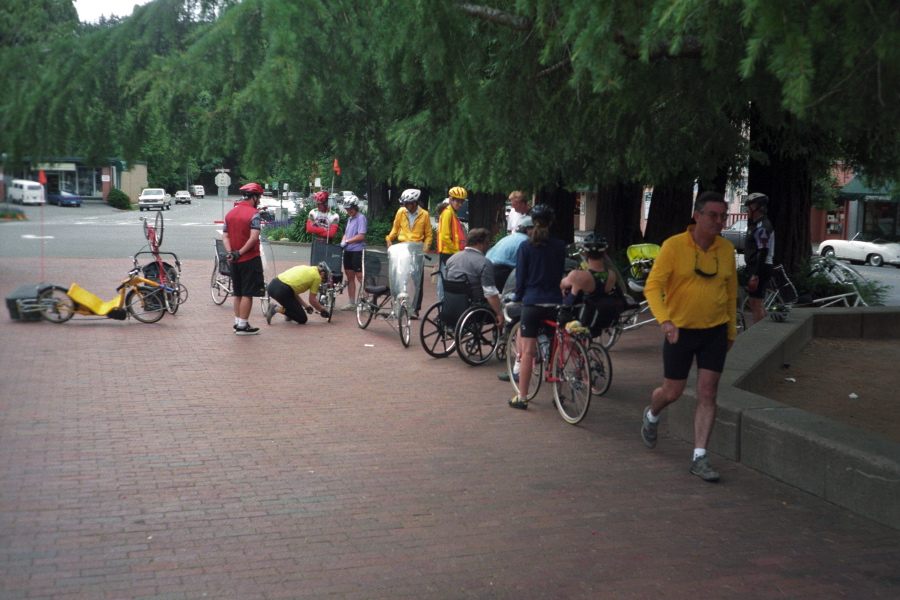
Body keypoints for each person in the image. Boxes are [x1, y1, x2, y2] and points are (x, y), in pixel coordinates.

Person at [641, 191, 738, 483]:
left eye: (723, 216)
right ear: (697, 216)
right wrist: (666, 322)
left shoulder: (726, 250)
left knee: (708, 392)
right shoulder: (673, 247)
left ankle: (699, 456)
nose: (719, 221)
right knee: (672, 392)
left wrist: (731, 331)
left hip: (715, 331)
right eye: (713, 215)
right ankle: (652, 415)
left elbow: (732, 294)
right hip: (679, 332)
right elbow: (652, 287)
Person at [506, 204, 566, 409]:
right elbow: (559, 274)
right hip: (554, 302)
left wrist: (517, 297)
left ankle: (522, 397)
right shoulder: (559, 246)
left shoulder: (525, 247)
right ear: (551, 223)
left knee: (528, 353)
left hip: (532, 302)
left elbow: (521, 278)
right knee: (559, 348)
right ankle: (560, 394)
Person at [222, 182, 266, 335]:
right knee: (248, 292)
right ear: (254, 197)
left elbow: (225, 236)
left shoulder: (230, 213)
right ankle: (243, 325)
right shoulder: (254, 213)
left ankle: (237, 322)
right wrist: (240, 253)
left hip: (234, 260)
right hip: (249, 257)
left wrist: (231, 253)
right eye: (259, 197)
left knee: (238, 292)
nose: (259, 200)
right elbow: (254, 238)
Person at [558, 233, 624, 332]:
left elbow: (559, 286)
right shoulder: (611, 275)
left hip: (576, 316)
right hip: (597, 317)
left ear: (585, 253)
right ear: (604, 253)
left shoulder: (577, 275)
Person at [385, 188, 433, 317]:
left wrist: (425, 248)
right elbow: (395, 228)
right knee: (401, 277)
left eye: (407, 204)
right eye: (404, 204)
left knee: (417, 280)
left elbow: (428, 235)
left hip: (417, 249)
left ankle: (415, 309)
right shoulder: (401, 212)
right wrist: (389, 239)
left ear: (415, 203)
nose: (405, 206)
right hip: (403, 247)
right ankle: (398, 305)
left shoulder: (424, 214)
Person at [445, 228, 504, 326]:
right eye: (487, 243)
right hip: (475, 306)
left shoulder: (452, 259)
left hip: (452, 304)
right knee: (504, 303)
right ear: (479, 243)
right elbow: (490, 293)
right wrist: (499, 313)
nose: (489, 246)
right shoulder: (484, 262)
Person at [264, 262, 331, 325]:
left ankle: (289, 313)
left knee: (290, 298)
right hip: (283, 291)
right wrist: (322, 310)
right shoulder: (317, 277)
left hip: (273, 286)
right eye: (324, 279)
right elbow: (312, 300)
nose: (322, 281)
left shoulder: (306, 268)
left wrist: (306, 306)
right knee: (302, 319)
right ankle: (276, 308)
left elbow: (293, 291)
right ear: (322, 274)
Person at [743, 193, 774, 324]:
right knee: (757, 303)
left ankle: (758, 336)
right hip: (757, 266)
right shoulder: (757, 224)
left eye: (747, 207)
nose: (746, 210)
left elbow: (763, 251)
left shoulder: (762, 226)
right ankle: (764, 332)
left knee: (755, 304)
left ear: (755, 206)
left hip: (760, 267)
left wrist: (755, 274)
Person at [437, 186, 468, 299]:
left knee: (448, 281)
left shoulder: (452, 213)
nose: (460, 204)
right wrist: (456, 252)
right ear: (451, 200)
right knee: (444, 282)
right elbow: (445, 236)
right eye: (458, 201)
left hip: (451, 253)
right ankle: (442, 310)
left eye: (462, 202)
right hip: (448, 253)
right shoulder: (447, 213)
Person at [486, 216, 533, 291]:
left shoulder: (510, 237)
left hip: (488, 269)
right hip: (502, 272)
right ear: (528, 229)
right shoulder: (526, 241)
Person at [339, 195, 366, 311]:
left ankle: (365, 302)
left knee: (360, 277)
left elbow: (361, 235)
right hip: (348, 251)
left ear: (355, 207)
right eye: (347, 209)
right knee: (350, 277)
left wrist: (347, 241)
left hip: (357, 251)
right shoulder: (350, 219)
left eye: (350, 209)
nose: (349, 211)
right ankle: (351, 302)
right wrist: (343, 241)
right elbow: (346, 233)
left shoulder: (361, 218)